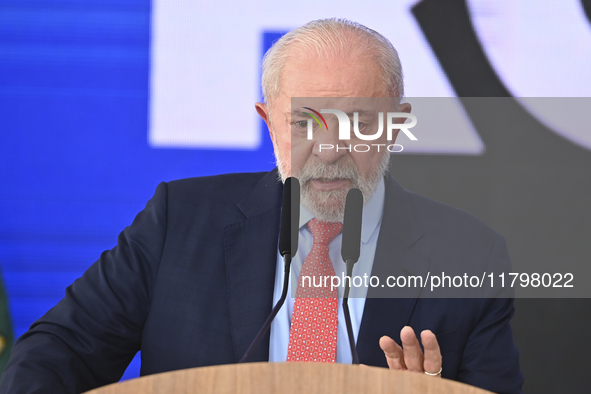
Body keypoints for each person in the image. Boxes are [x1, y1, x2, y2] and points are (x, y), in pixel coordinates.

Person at [0, 18, 523, 394]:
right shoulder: (178, 219)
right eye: (304, 123)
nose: (332, 148)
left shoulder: (469, 255)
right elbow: (56, 352)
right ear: (268, 121)